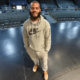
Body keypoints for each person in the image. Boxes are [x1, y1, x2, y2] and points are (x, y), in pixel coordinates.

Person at [23, 1, 51, 80]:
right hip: (31, 49)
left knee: (44, 62)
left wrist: (46, 49)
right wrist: (27, 47)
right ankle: (36, 64)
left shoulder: (46, 24)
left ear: (40, 10)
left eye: (36, 8)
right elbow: (25, 37)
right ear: (29, 9)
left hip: (43, 50)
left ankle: (45, 71)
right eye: (32, 8)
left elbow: (48, 37)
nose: (34, 10)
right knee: (34, 60)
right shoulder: (25, 24)